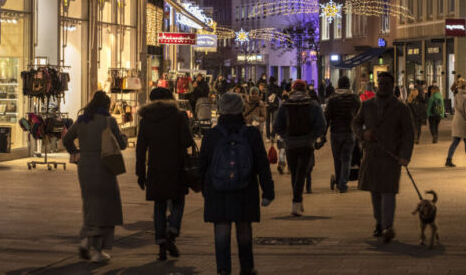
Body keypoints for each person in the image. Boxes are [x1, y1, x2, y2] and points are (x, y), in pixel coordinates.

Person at [200, 92, 274, 275]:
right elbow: (262, 164)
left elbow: (202, 166)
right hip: (245, 187)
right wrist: (268, 190)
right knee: (244, 228)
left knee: (221, 229)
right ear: (241, 108)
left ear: (221, 109)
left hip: (218, 189)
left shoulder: (211, 135)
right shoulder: (251, 134)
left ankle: (223, 269)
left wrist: (204, 188)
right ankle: (247, 268)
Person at [63, 91, 127, 263]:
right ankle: (98, 249)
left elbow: (67, 139)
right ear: (106, 105)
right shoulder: (109, 121)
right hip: (104, 166)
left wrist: (75, 152)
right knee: (107, 207)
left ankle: (86, 239)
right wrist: (125, 138)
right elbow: (121, 144)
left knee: (90, 204)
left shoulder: (82, 120)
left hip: (84, 167)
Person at [352, 72, 414, 243]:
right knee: (375, 192)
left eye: (387, 83)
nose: (384, 86)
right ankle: (379, 223)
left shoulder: (401, 108)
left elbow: (409, 133)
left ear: (393, 85)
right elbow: (356, 123)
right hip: (372, 154)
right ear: (377, 85)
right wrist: (363, 133)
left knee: (389, 192)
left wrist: (405, 155)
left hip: (391, 156)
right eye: (381, 83)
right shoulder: (367, 105)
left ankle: (388, 225)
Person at [136, 88, 193, 261]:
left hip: (155, 167)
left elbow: (140, 148)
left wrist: (140, 172)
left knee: (159, 205)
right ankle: (172, 230)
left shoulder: (146, 119)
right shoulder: (177, 116)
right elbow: (187, 141)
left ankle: (161, 245)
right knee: (178, 201)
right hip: (176, 165)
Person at [273, 80, 326, 216]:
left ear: (292, 89)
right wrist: (312, 136)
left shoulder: (285, 105)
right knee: (301, 172)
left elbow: (277, 125)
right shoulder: (312, 105)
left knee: (295, 173)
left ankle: (297, 202)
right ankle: (296, 202)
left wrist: (286, 136)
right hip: (306, 144)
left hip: (290, 144)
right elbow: (321, 125)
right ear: (305, 90)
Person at [324, 76, 361, 193]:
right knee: (346, 158)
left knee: (337, 158)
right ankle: (342, 184)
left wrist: (323, 134)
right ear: (349, 84)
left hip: (335, 132)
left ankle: (339, 179)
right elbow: (360, 116)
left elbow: (327, 117)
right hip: (350, 132)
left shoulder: (332, 99)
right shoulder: (355, 98)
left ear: (339, 84)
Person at [446, 80, 466, 168]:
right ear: (465, 87)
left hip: (456, 120)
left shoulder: (457, 95)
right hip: (464, 122)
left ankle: (449, 159)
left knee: (455, 142)